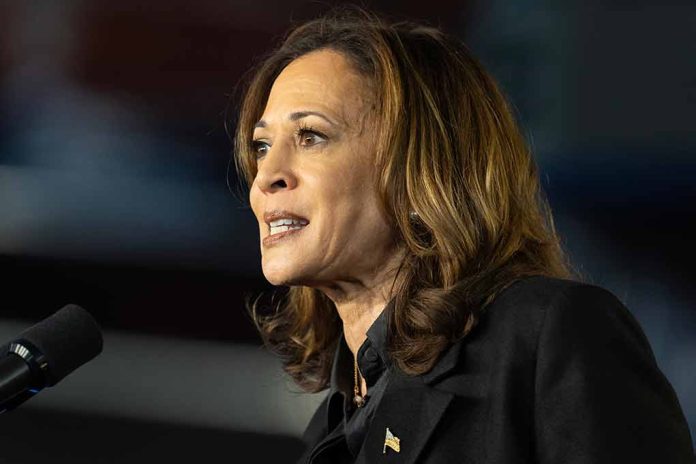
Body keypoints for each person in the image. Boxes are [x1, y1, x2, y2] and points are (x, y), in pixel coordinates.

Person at [233, 8, 694, 464]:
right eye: (262, 146)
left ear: (419, 168)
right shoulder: (329, 433)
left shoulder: (549, 335)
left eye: (311, 136)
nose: (266, 176)